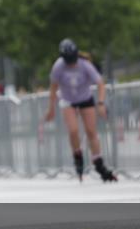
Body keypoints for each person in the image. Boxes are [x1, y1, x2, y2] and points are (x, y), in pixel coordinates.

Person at [43, 39, 116, 182]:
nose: (71, 64)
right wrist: (51, 108)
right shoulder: (58, 66)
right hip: (67, 100)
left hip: (85, 98)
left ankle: (98, 162)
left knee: (91, 131)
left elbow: (100, 83)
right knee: (73, 130)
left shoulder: (85, 65)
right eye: (68, 61)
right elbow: (53, 88)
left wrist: (101, 103)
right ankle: (77, 155)